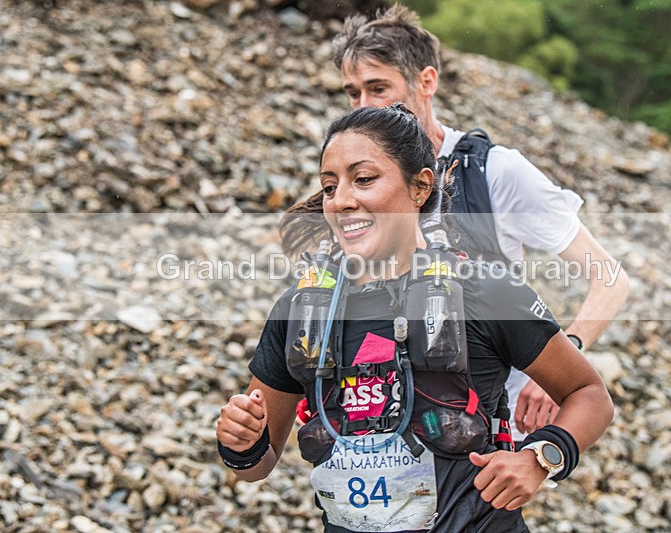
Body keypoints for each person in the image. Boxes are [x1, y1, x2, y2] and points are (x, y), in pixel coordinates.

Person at [216, 104, 614, 532]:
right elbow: (256, 466)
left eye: (364, 179)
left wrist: (541, 457)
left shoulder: (483, 291)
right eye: (329, 187)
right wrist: (240, 441)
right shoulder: (299, 311)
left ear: (421, 187)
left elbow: (589, 393)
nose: (342, 201)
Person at [330, 5, 629, 444]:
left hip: (489, 417)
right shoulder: (356, 185)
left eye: (378, 88)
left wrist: (562, 362)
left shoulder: (495, 172)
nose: (363, 106)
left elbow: (610, 278)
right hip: (391, 416)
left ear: (426, 82)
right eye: (352, 93)